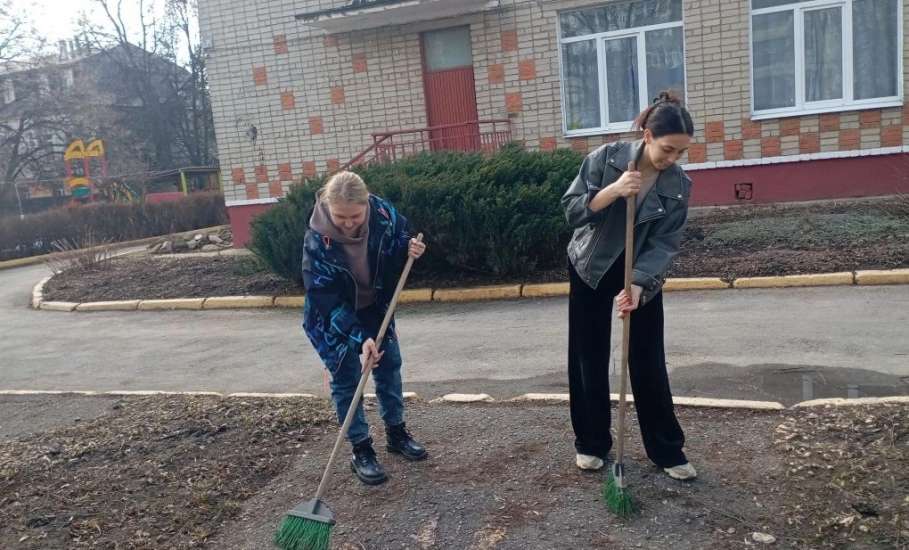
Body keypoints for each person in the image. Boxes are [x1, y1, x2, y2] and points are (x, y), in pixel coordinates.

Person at [560, 90, 698, 481]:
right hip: (591, 267)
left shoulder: (679, 185)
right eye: (668, 149)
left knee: (648, 359)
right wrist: (614, 190)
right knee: (588, 356)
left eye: (680, 153)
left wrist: (639, 285)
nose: (672, 159)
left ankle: (667, 450)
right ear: (648, 136)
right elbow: (572, 211)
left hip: (641, 275)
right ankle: (591, 443)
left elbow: (666, 242)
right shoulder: (605, 159)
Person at [302, 170, 427, 486]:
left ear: (367, 204)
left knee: (389, 367)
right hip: (333, 318)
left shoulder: (383, 214)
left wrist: (410, 248)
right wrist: (359, 338)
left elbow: (400, 238)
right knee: (347, 381)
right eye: (340, 216)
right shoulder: (317, 239)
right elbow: (324, 297)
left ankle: (396, 433)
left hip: (375, 308)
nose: (347, 223)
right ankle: (361, 450)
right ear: (328, 206)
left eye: (355, 216)